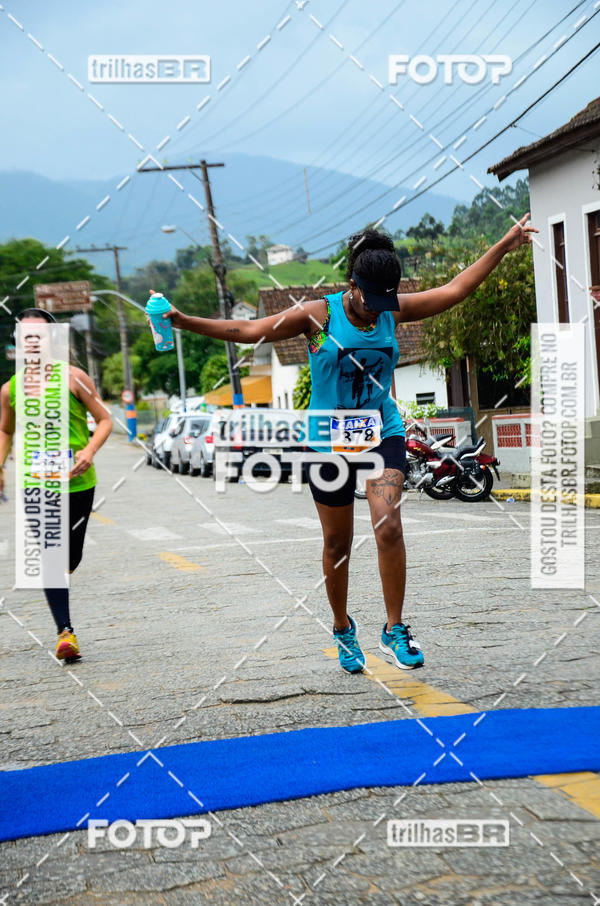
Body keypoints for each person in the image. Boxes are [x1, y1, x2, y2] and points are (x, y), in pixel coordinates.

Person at [155, 215, 537, 673]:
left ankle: (394, 628)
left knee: (388, 526)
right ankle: (342, 627)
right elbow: (249, 331)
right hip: (327, 439)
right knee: (338, 543)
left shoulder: (391, 309)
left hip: (381, 430)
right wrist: (180, 321)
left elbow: (455, 291)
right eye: (370, 299)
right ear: (352, 284)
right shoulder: (317, 317)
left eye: (385, 301)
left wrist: (506, 242)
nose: (378, 310)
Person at [0, 308, 113, 661]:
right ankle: (65, 633)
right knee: (50, 556)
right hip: (36, 483)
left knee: (69, 556)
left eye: (40, 335)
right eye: (25, 335)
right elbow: (6, 429)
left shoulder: (74, 378)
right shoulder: (10, 389)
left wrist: (89, 451)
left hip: (79, 483)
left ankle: (65, 570)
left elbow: (105, 420)